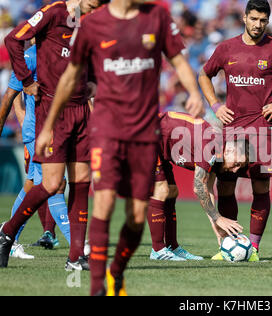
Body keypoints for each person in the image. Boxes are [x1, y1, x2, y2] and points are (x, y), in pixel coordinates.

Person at [35, 0, 204, 296]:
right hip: (106, 129)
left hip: (143, 131)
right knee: (104, 202)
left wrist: (194, 92)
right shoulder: (92, 24)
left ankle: (116, 271)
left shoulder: (157, 18)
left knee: (138, 216)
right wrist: (48, 125)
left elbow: (178, 60)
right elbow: (71, 76)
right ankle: (98, 287)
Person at [198, 0, 272, 261]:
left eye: (263, 21)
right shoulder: (226, 48)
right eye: (254, 19)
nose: (258, 25)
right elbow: (204, 75)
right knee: (225, 188)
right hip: (232, 129)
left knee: (261, 188)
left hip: (263, 129)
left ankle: (254, 248)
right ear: (245, 18)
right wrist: (215, 105)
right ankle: (229, 244)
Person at [0, 0, 104, 271]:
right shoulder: (53, 12)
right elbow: (13, 39)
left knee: (82, 183)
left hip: (82, 110)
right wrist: (26, 80)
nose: (93, 12)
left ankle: (75, 258)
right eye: (91, 5)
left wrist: (92, 81)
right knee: (51, 184)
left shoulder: (90, 22)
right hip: (53, 110)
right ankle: (7, 233)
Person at [0, 44, 71, 258]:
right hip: (37, 133)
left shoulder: (63, 51)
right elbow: (11, 98)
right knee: (55, 185)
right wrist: (24, 122)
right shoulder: (29, 57)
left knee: (32, 186)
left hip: (55, 130)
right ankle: (79, 247)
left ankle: (8, 236)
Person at [147, 111, 243, 261]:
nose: (236, 170)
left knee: (171, 192)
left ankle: (172, 246)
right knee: (161, 190)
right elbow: (198, 187)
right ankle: (158, 250)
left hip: (160, 142)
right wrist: (218, 218)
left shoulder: (219, 149)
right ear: (229, 150)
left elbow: (208, 188)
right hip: (148, 135)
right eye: (237, 163)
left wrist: (216, 226)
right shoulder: (211, 145)